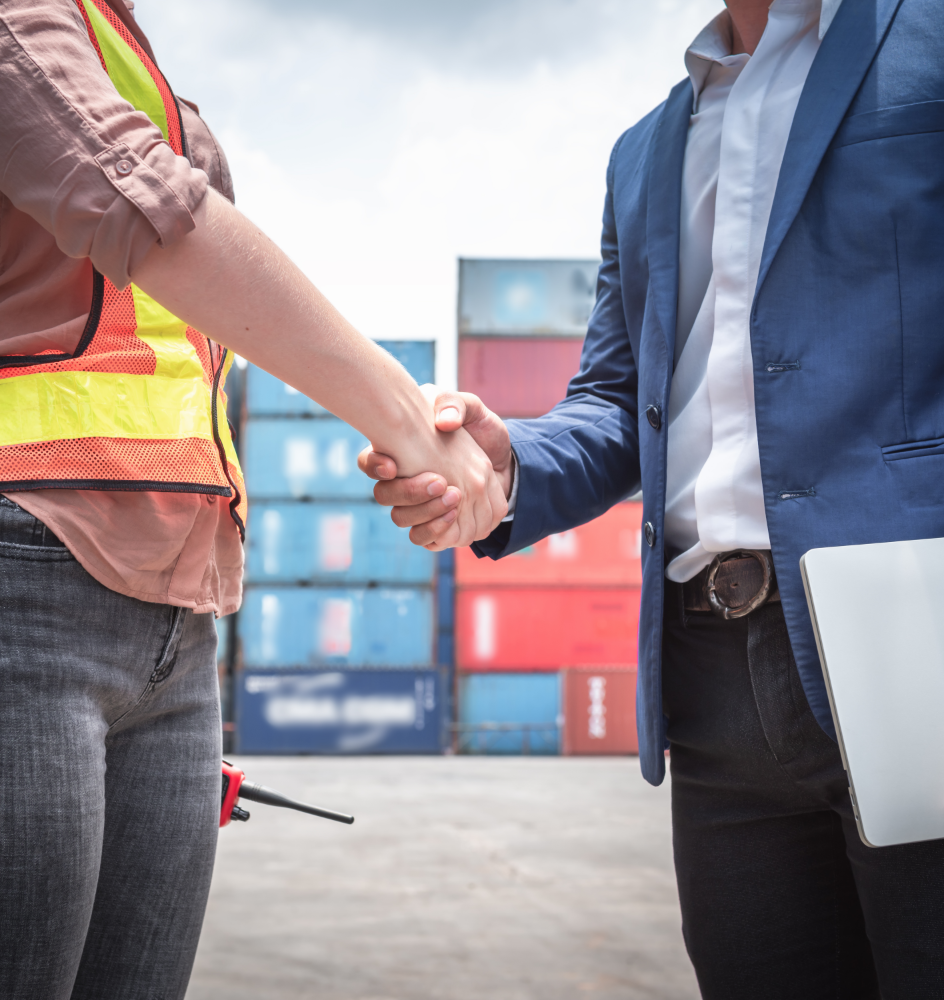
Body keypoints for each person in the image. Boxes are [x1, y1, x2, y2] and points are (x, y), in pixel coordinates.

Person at [361, 0, 944, 994]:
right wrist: (504, 474)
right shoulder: (644, 150)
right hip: (710, 675)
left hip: (913, 638)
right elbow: (619, 402)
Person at [0, 1, 506, 997]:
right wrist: (404, 421)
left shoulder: (125, 48)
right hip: (4, 577)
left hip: (177, 616)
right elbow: (138, 204)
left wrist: (416, 424)